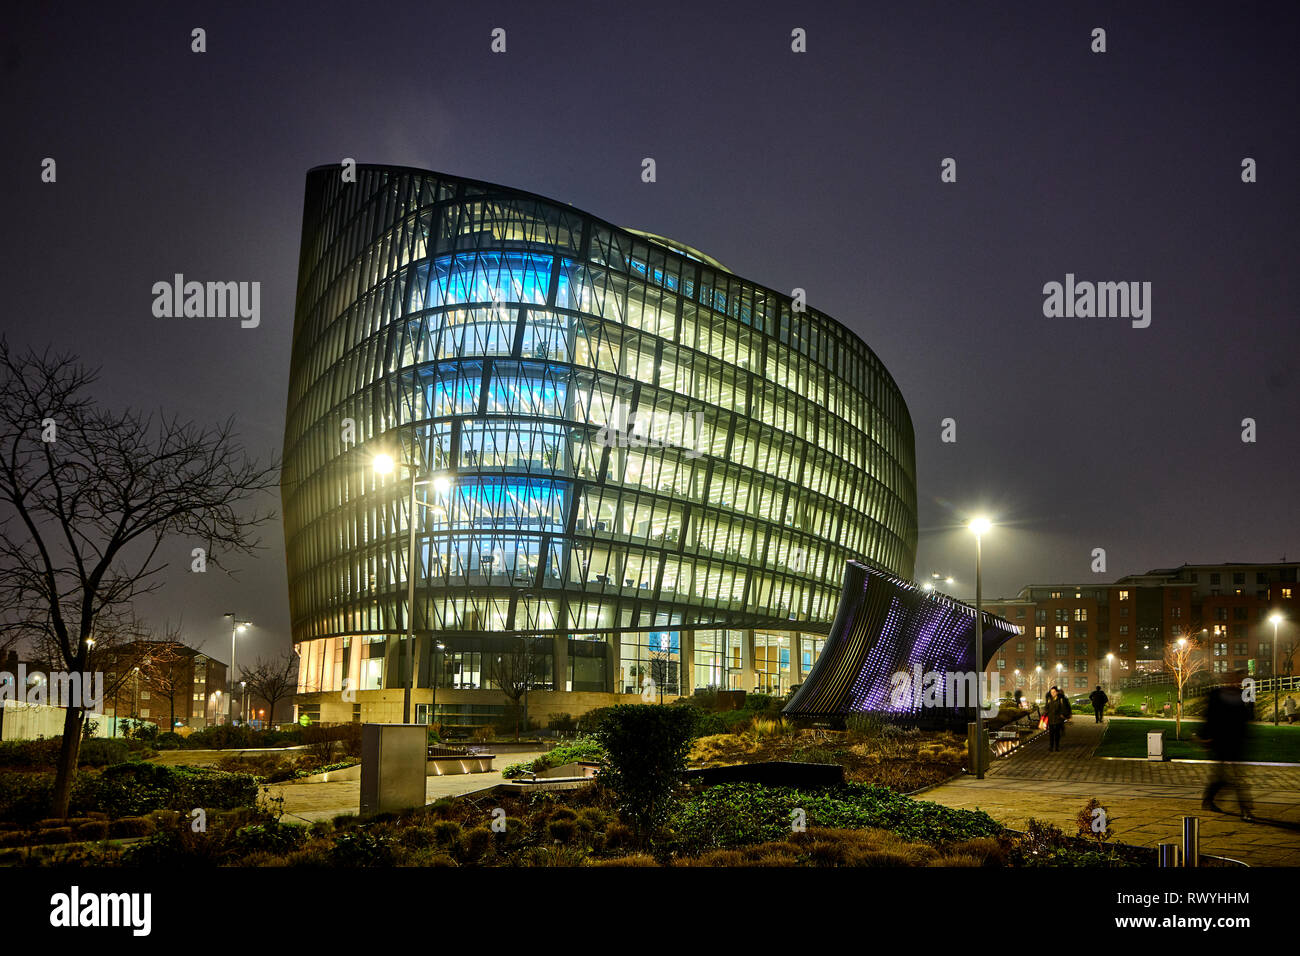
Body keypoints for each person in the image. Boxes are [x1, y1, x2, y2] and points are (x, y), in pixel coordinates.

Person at [1199, 670, 1255, 822]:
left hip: (1236, 741)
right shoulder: (1216, 695)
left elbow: (1247, 717)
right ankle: (1211, 799)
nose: (1234, 681)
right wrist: (1205, 737)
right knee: (1222, 775)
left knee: (1237, 776)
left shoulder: (1242, 695)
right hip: (1220, 741)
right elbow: (1209, 717)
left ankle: (1244, 807)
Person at [1044, 686, 1069, 752]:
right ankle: (1051, 746)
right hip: (1051, 719)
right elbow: (1046, 708)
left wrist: (1062, 715)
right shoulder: (1049, 699)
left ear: (1057, 692)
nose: (1053, 693)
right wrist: (1045, 714)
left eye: (1054, 692)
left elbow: (1063, 708)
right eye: (1051, 692)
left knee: (1057, 734)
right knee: (1051, 734)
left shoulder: (1060, 700)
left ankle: (1057, 746)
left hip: (1058, 719)